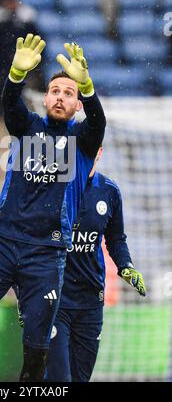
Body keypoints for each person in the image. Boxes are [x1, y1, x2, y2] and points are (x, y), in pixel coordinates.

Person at [0, 34, 106, 382]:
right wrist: (16, 76)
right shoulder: (28, 127)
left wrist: (89, 87)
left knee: (35, 358)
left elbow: (99, 123)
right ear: (46, 97)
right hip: (3, 244)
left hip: (46, 256)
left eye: (69, 93)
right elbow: (10, 102)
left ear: (77, 105)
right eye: (55, 91)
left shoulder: (82, 140)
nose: (61, 97)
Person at [44, 147, 146, 382]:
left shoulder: (109, 191)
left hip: (90, 300)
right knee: (59, 378)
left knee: (80, 378)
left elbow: (116, 239)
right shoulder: (53, 188)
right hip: (55, 299)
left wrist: (126, 266)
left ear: (99, 152)